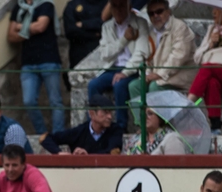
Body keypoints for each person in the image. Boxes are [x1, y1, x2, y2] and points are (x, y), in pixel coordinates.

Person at [87, 0, 149, 129]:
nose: (118, 10)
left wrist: (125, 72)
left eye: (122, 5)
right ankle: (95, 123)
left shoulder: (140, 23)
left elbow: (141, 52)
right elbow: (105, 54)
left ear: (129, 7)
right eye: (115, 6)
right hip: (113, 68)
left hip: (132, 69)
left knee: (119, 85)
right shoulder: (107, 27)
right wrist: (124, 39)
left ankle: (121, 126)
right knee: (93, 85)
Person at [8, 0, 64, 135]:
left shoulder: (46, 5)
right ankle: (42, 134)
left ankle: (58, 134)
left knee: (55, 101)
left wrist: (19, 27)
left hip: (49, 60)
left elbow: (41, 27)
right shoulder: (18, 7)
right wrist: (28, 30)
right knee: (28, 101)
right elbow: (11, 36)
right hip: (28, 63)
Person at [125, 0, 196, 104]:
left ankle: (158, 120)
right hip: (159, 77)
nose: (155, 16)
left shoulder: (180, 28)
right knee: (134, 86)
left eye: (159, 11)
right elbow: (146, 58)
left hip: (180, 77)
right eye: (151, 13)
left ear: (168, 11)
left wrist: (159, 74)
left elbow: (177, 58)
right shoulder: (151, 32)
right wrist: (146, 74)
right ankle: (141, 120)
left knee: (155, 86)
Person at [40, 94, 123, 155]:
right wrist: (59, 153)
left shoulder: (115, 130)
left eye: (110, 113)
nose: (109, 117)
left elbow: (112, 151)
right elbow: (45, 138)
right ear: (92, 114)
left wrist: (87, 156)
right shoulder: (80, 131)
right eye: (105, 112)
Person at [62, 0, 105, 71]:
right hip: (79, 58)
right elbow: (70, 31)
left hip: (102, 56)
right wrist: (94, 35)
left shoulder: (106, 3)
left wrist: (83, 24)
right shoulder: (72, 5)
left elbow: (107, 23)